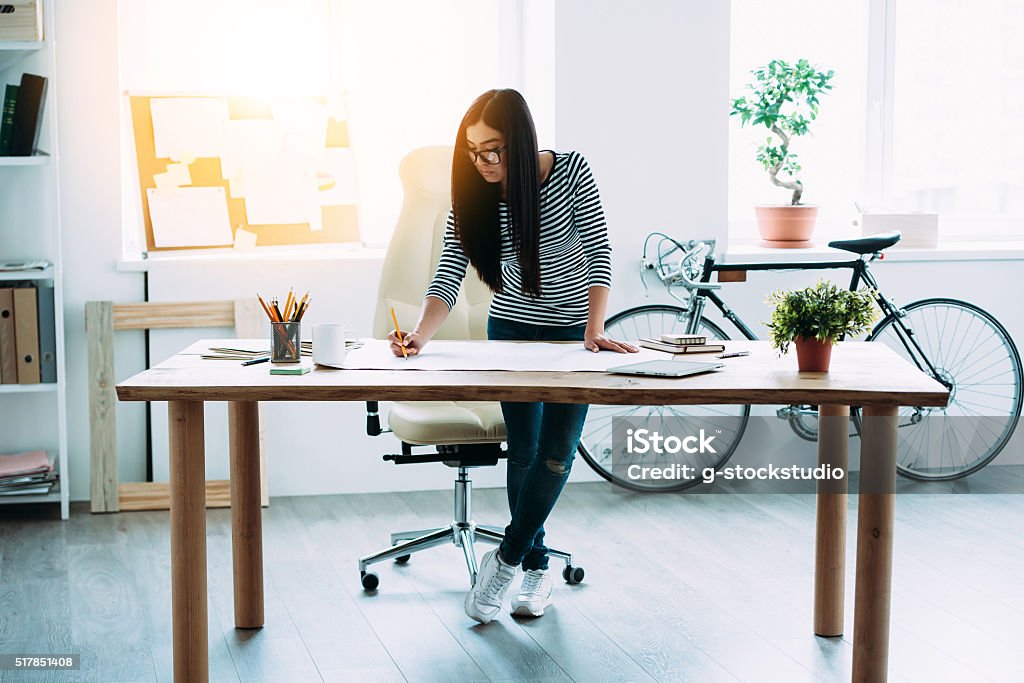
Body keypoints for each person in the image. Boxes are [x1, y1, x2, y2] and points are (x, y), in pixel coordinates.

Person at [388, 88, 638, 623]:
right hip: (511, 335)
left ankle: (503, 560)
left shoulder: (569, 173)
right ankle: (535, 566)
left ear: (521, 143)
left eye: (493, 150)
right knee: (523, 452)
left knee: (557, 454)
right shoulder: (474, 192)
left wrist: (593, 329)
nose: (482, 163)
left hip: (572, 335)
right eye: (473, 151)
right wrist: (418, 336)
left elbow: (598, 252)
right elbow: (449, 271)